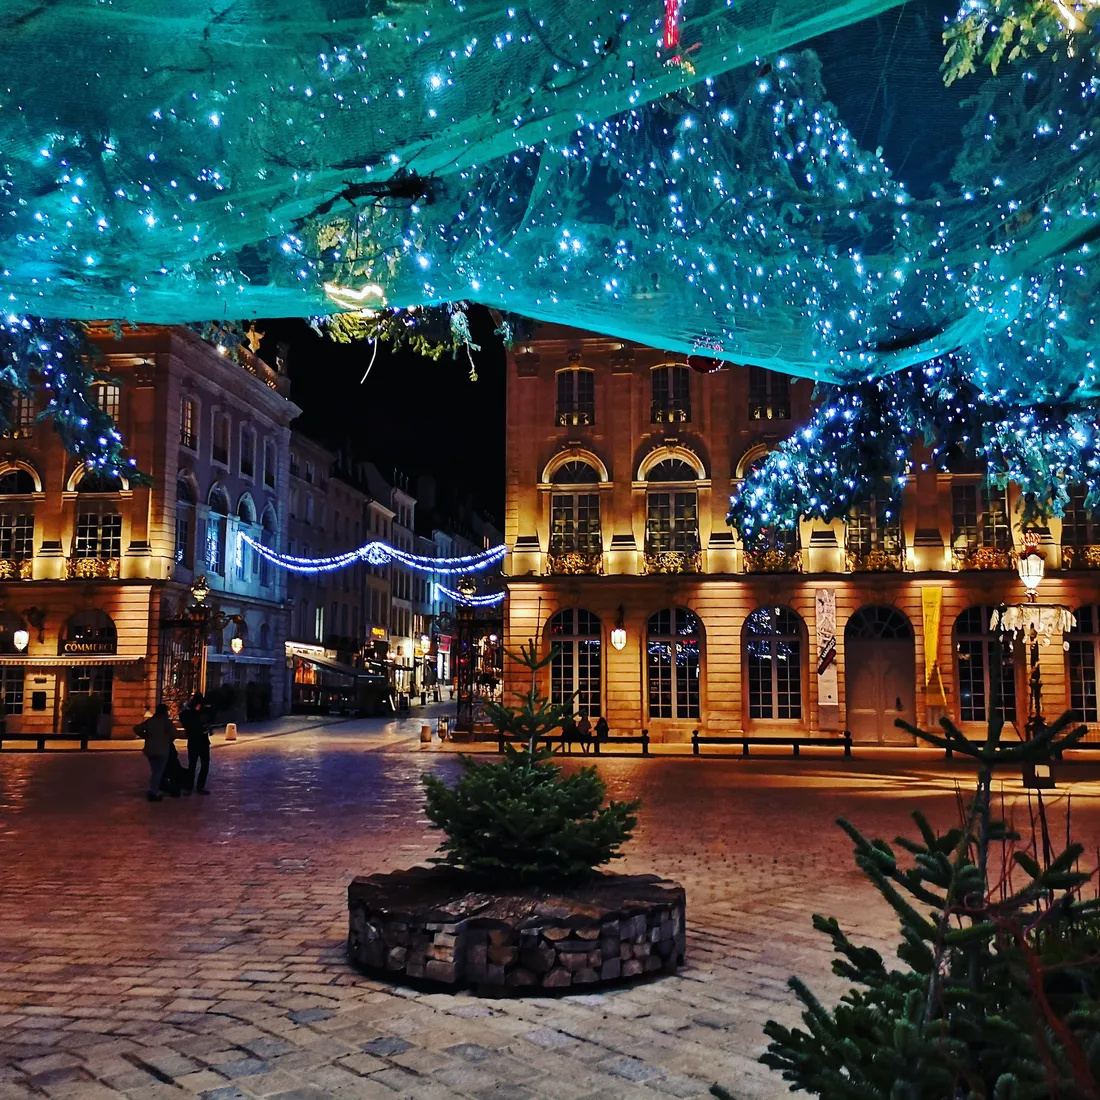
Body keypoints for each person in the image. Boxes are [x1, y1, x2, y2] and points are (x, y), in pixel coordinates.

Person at [138, 704, 176, 802]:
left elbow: (137, 728)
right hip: (162, 750)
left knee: (155, 771)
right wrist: (168, 739)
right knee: (158, 772)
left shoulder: (151, 721)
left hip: (150, 750)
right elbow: (174, 734)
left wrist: (146, 735)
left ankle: (154, 790)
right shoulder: (166, 722)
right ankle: (154, 792)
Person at [180, 693, 210, 795]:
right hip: (200, 741)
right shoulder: (196, 714)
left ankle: (190, 787)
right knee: (202, 764)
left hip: (194, 741)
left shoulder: (188, 714)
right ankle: (198, 787)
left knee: (193, 764)